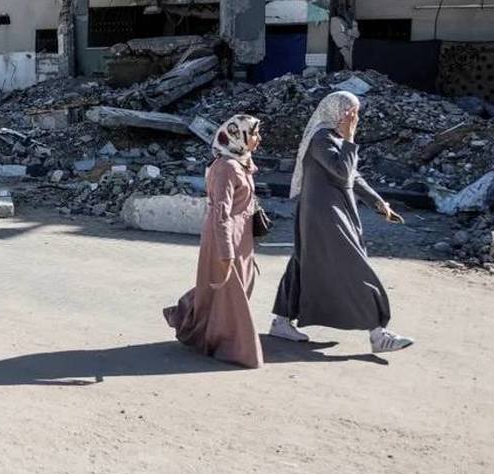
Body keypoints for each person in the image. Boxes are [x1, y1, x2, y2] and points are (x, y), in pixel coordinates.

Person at [269, 91, 415, 353]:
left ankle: (281, 320)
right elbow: (341, 172)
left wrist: (377, 202)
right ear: (337, 111)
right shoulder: (321, 138)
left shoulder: (334, 138)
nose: (355, 118)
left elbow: (353, 176)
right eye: (351, 112)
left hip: (332, 210)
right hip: (325, 213)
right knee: (354, 265)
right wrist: (349, 139)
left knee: (304, 260)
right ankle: (378, 334)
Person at [163, 115, 265, 369]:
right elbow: (221, 212)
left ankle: (196, 325)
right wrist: (226, 251)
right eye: (254, 134)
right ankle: (234, 347)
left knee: (226, 292)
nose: (258, 139)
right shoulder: (226, 168)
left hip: (241, 237)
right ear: (238, 136)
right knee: (231, 295)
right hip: (225, 237)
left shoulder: (240, 162)